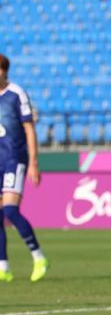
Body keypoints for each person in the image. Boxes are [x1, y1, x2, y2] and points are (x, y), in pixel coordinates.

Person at [0, 53, 48, 283]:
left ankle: (38, 257)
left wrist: (34, 163)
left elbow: (29, 129)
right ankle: (3, 266)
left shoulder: (16, 94)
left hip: (14, 158)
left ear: (4, 71)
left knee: (10, 211)